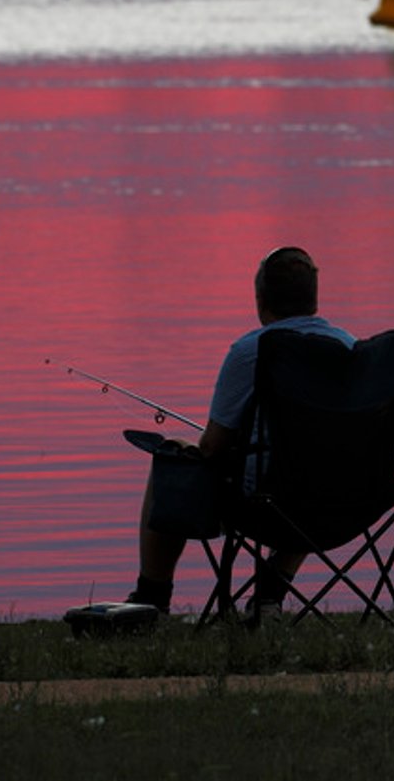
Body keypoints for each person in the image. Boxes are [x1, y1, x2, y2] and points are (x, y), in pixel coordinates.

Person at [125, 246, 354, 618]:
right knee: (314, 467)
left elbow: (212, 447)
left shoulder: (251, 351)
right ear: (314, 299)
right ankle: (269, 594)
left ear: (260, 300)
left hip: (264, 501)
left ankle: (152, 597)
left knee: (171, 454)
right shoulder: (349, 347)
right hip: (343, 499)